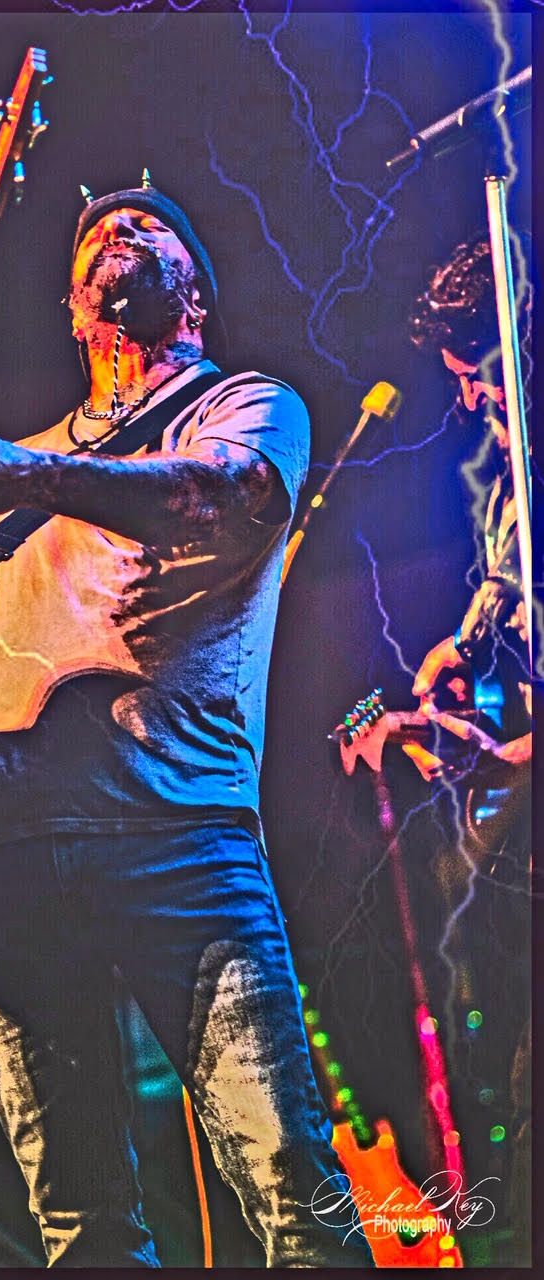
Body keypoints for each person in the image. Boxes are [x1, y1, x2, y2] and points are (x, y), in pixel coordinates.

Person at [0, 179, 373, 1268]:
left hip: (180, 837)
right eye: (96, 229)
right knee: (79, 1227)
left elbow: (226, 496)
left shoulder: (243, 405)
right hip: (5, 862)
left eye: (148, 225)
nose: (118, 229)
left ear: (194, 295)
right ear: (72, 309)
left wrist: (23, 473)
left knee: (291, 1187)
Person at [408, 233, 531, 1264]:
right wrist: (464, 646)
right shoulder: (504, 475)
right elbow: (507, 580)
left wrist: (514, 761)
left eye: (476, 376)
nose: (467, 401)